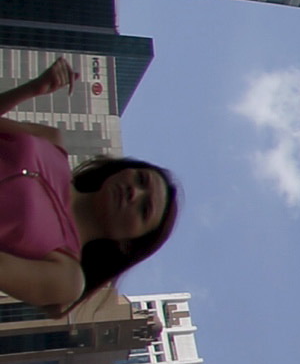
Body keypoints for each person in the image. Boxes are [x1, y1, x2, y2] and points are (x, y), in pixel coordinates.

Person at [0, 57, 177, 313]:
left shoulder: (68, 276)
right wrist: (32, 89)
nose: (134, 192)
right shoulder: (52, 141)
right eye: (140, 179)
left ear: (127, 244)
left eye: (144, 208)